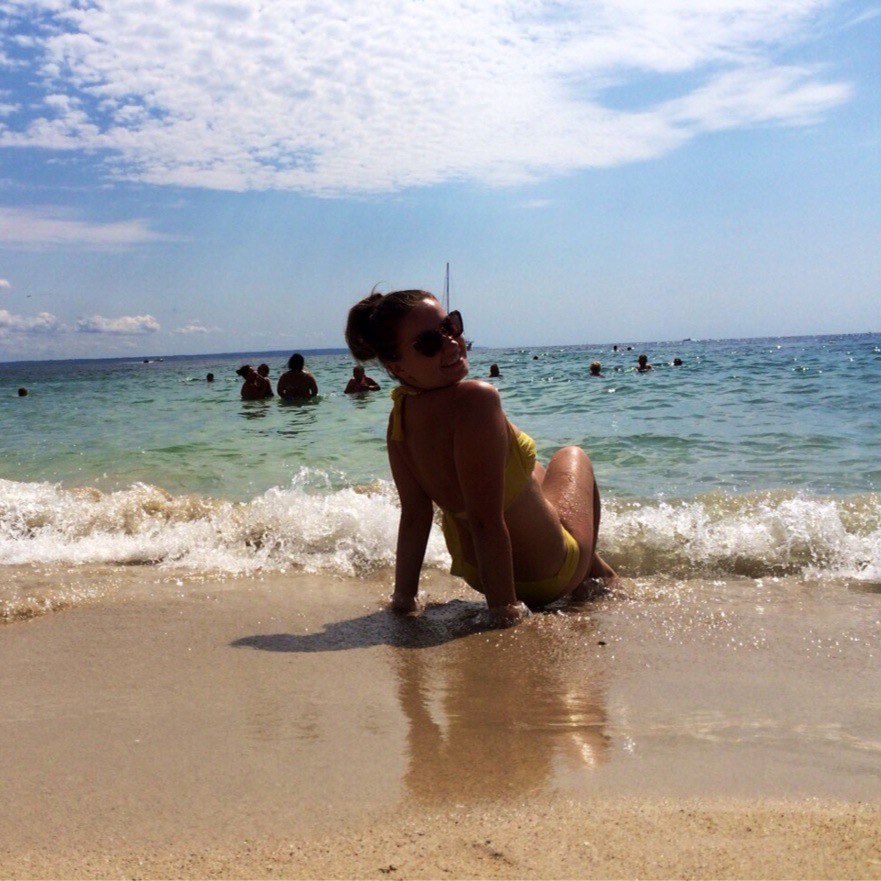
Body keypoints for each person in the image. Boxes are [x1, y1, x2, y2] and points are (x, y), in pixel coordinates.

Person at [345, 290, 616, 629]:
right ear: (396, 365)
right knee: (571, 455)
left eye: (449, 326)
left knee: (534, 470)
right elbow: (484, 520)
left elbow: (415, 517)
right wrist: (504, 610)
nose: (450, 343)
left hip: (480, 574)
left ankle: (595, 571)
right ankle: (598, 577)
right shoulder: (476, 399)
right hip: (547, 576)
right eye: (429, 343)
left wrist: (404, 599)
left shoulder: (400, 417)